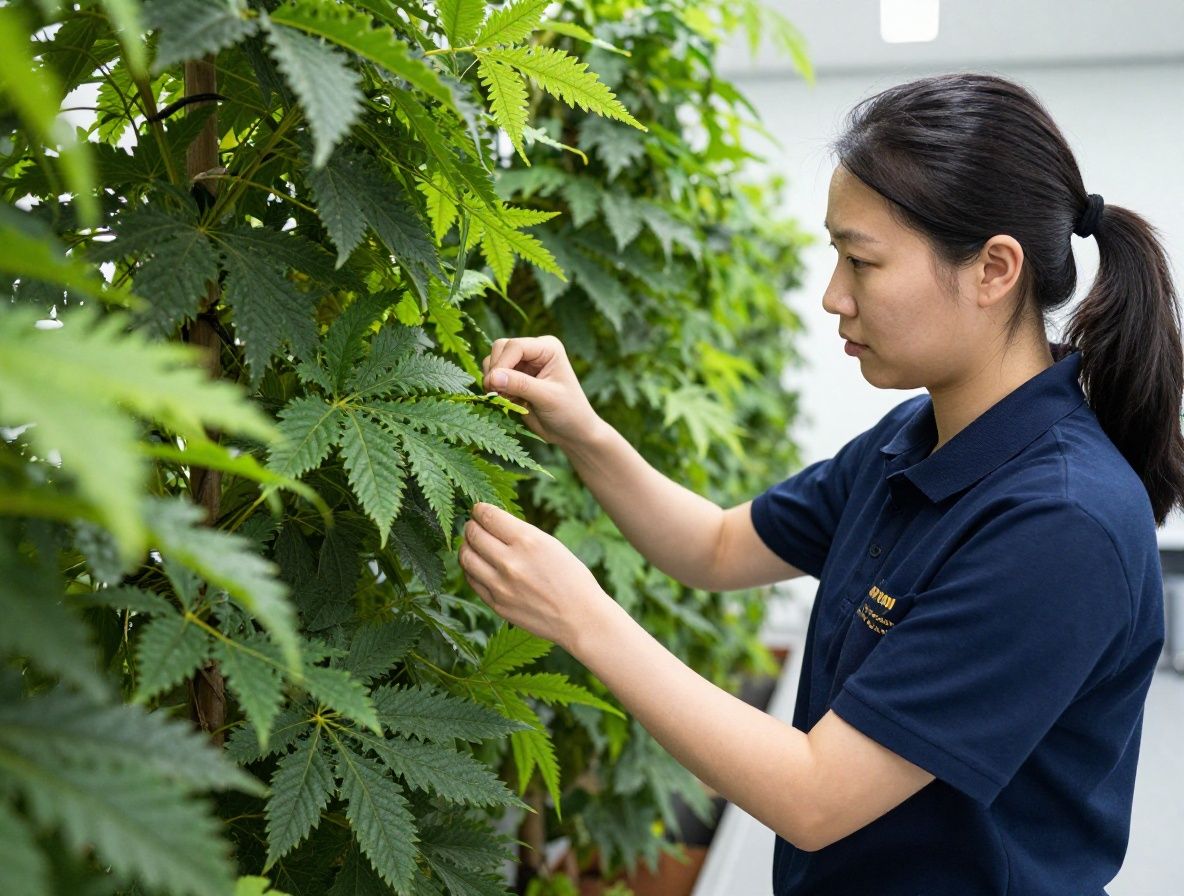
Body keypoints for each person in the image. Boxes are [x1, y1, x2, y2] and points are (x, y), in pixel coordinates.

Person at [456, 72, 1184, 895]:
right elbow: (718, 547)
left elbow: (813, 793)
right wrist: (586, 433)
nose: (834, 296)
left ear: (994, 269)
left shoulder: (1062, 524)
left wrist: (580, 617)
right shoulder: (914, 440)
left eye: (860, 260)